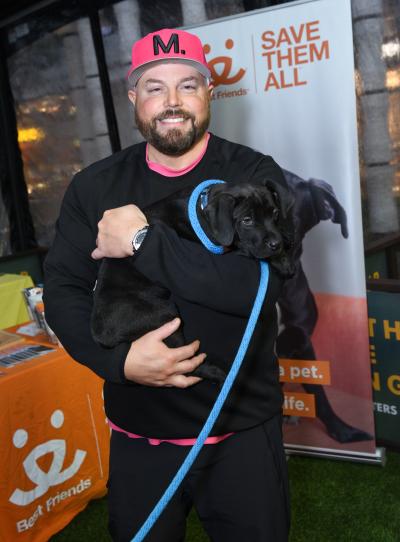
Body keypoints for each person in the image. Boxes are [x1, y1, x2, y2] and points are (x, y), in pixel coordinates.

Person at [44, 28, 290, 542]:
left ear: (209, 92)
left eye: (187, 85)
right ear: (134, 98)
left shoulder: (252, 174)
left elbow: (259, 288)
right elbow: (64, 290)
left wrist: (140, 239)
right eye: (154, 87)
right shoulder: (94, 186)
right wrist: (120, 364)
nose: (172, 102)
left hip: (240, 424)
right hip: (141, 430)